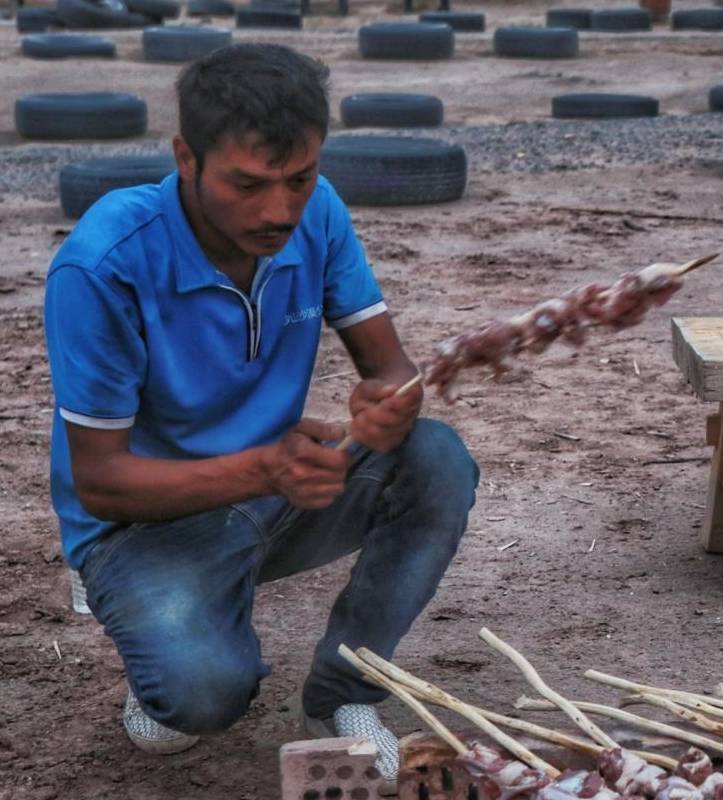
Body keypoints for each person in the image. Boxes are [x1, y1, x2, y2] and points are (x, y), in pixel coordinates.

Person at [43, 42, 477, 789]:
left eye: (299, 178)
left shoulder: (320, 214)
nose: (279, 211)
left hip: (275, 487)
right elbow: (102, 484)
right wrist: (263, 467)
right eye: (247, 184)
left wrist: (389, 412)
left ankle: (347, 691)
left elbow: (392, 371)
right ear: (186, 158)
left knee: (436, 460)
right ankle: (164, 643)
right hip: (143, 524)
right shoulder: (104, 263)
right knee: (200, 698)